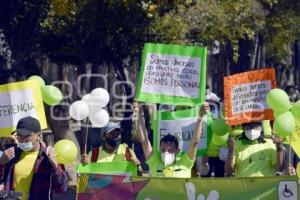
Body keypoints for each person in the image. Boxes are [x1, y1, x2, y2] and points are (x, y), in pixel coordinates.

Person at [0, 116, 68, 200]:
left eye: (27, 135)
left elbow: (61, 188)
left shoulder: (48, 157)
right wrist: (1, 163)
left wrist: (55, 165)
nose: (22, 139)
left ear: (39, 135)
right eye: (19, 135)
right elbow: (3, 182)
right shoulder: (12, 154)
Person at [136, 102, 209, 178]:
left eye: (170, 150)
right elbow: (144, 141)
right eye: (163, 150)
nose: (166, 153)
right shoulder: (154, 161)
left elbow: (195, 142)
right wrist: (138, 112)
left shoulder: (185, 163)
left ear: (177, 150)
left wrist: (201, 116)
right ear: (159, 149)